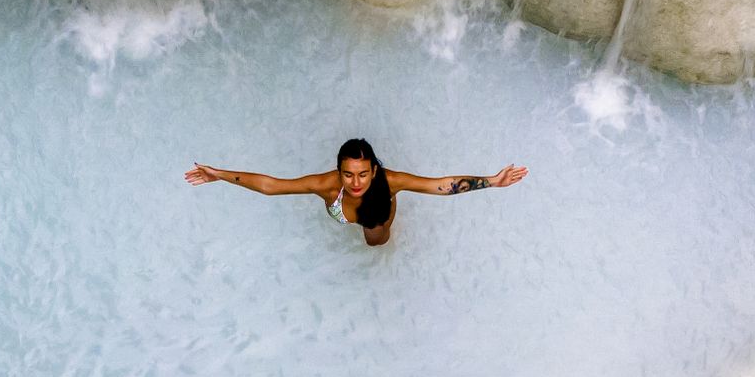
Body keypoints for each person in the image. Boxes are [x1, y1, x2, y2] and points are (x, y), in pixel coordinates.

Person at [185, 138, 527, 247]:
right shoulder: (326, 185)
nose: (356, 182)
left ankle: (387, 228)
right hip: (341, 214)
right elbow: (272, 186)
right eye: (348, 174)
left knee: (377, 241)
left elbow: (439, 185)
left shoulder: (388, 181)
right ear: (338, 171)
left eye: (363, 173)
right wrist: (220, 176)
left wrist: (490, 181)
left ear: (374, 170)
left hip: (379, 212)